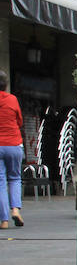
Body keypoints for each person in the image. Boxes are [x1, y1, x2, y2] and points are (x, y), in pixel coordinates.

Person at [0, 69, 24, 229]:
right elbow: (19, 121)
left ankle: (4, 220)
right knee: (15, 178)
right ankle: (15, 209)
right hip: (14, 144)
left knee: (0, 182)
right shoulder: (12, 99)